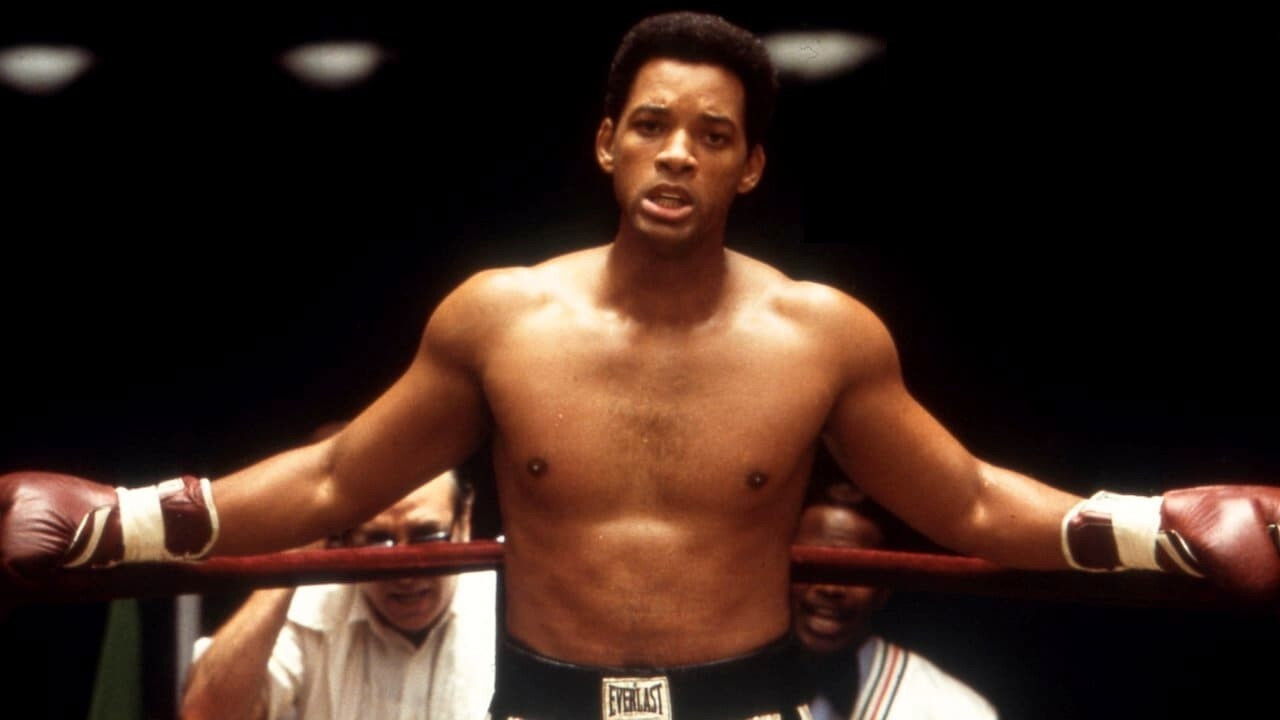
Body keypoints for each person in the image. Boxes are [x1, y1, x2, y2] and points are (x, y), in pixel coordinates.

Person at [2, 11, 1279, 720]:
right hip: (537, 707)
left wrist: (1158, 531)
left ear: (749, 166)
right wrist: (116, 525)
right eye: (654, 125)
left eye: (712, 135)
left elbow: (972, 504)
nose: (678, 153)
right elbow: (337, 477)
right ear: (607, 142)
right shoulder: (498, 319)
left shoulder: (822, 335)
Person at [181, 468, 495, 720]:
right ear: (345, 538)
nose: (405, 574)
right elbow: (205, 713)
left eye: (427, 537)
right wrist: (291, 563)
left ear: (465, 520)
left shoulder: (508, 604)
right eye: (377, 541)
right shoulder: (313, 604)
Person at [793, 481, 997, 720]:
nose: (830, 588)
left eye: (853, 574)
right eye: (814, 568)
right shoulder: (751, 676)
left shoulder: (953, 710)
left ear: (884, 589)